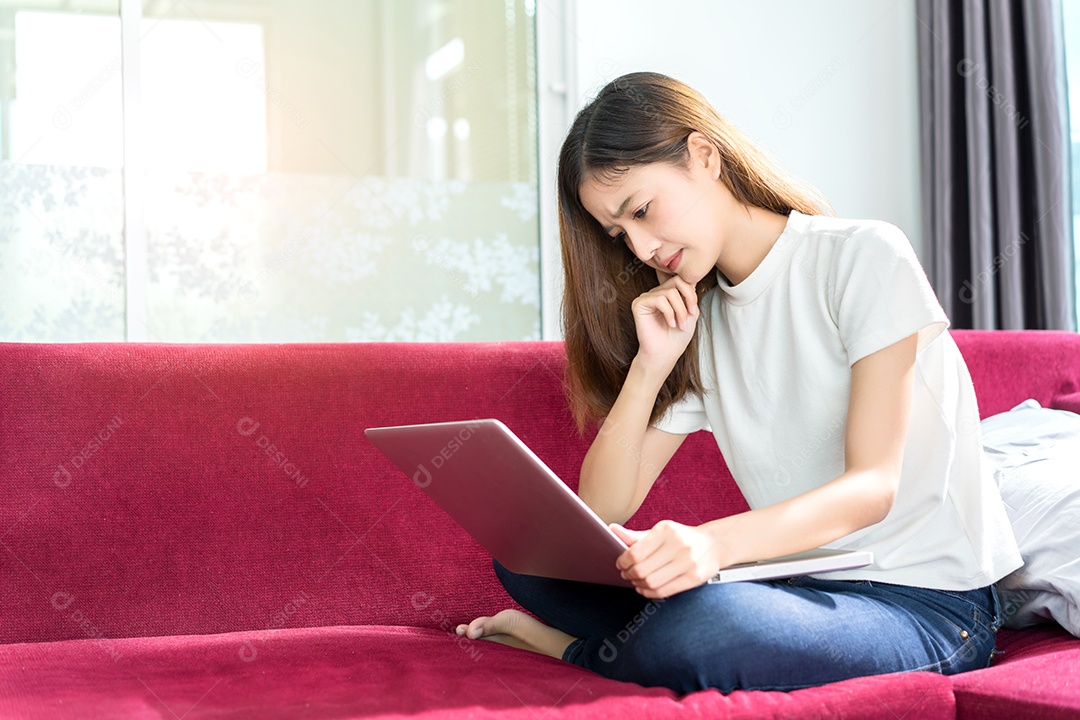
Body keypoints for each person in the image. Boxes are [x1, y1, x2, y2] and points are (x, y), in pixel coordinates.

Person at [454, 71, 1023, 694]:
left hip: (928, 606)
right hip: (792, 592)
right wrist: (651, 366)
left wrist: (709, 546)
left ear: (703, 156)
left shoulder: (864, 257)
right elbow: (604, 507)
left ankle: (576, 651)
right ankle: (643, 641)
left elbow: (872, 488)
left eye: (641, 210)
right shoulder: (700, 317)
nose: (641, 246)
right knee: (533, 560)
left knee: (706, 625)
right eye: (620, 234)